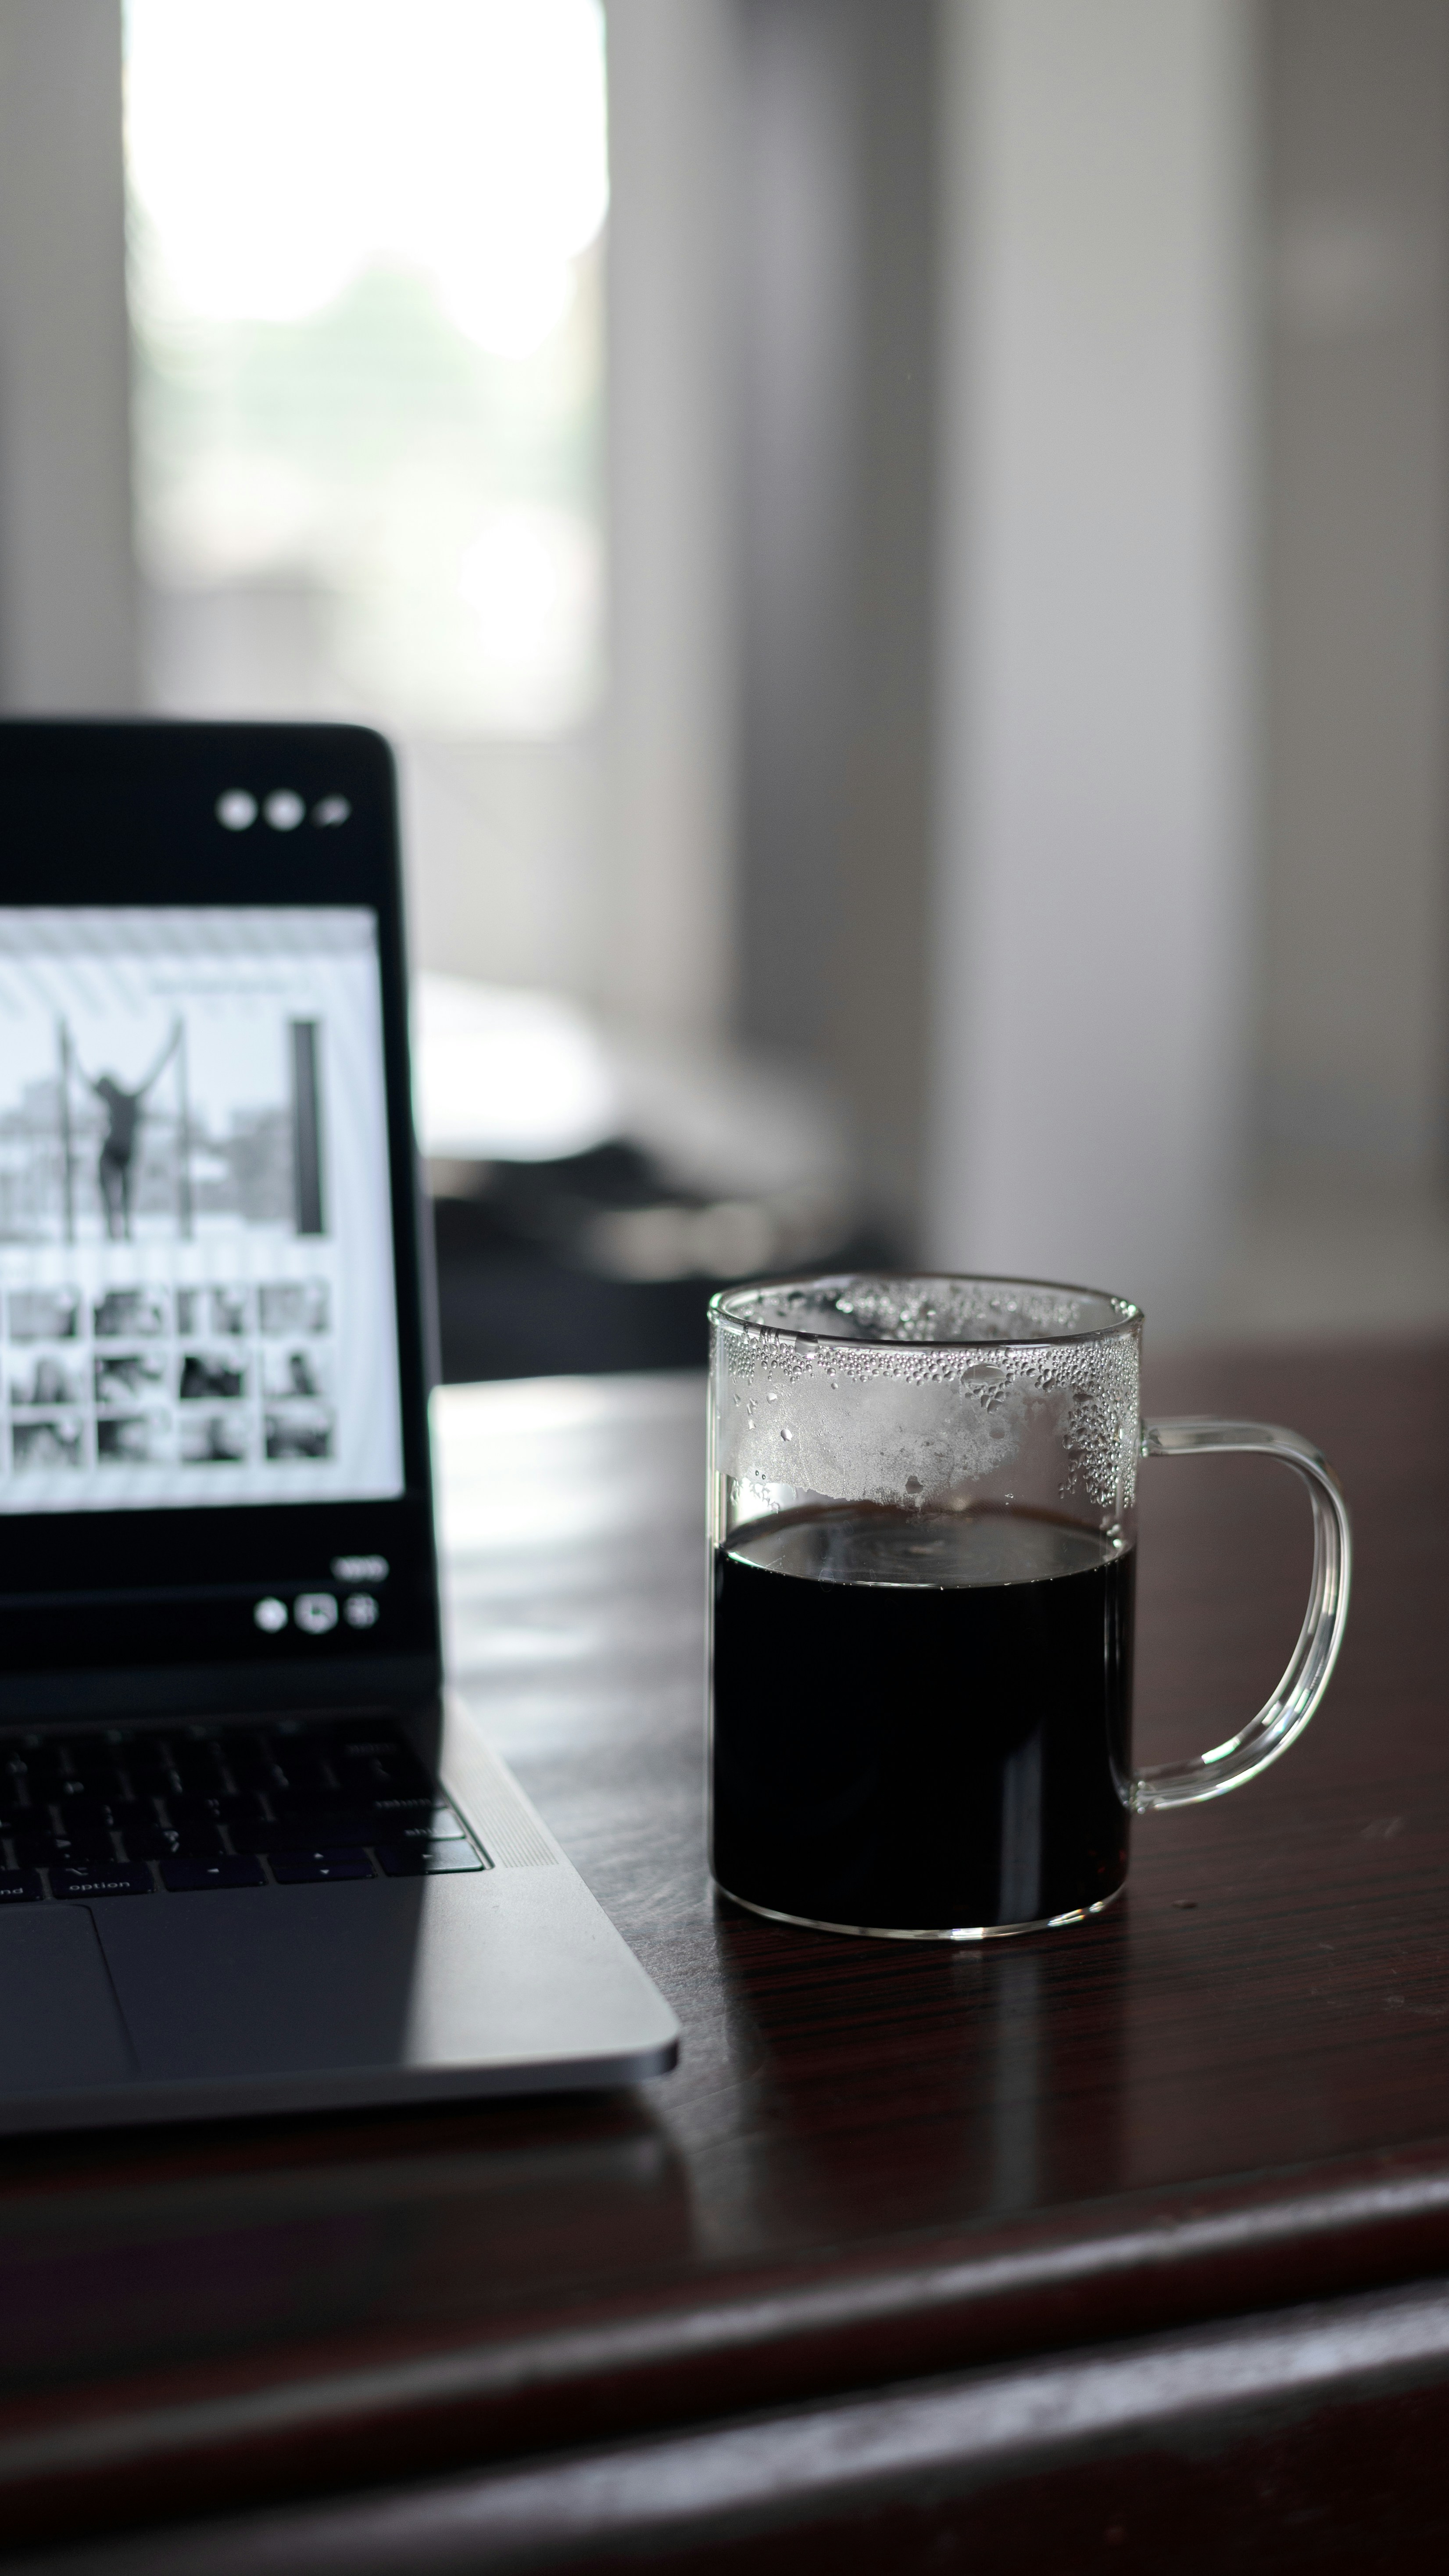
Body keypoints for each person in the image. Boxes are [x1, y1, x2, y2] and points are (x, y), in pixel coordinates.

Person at [82, 1025, 180, 1241]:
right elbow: (84, 1081)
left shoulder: (128, 1099)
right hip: (115, 1150)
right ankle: (115, 1228)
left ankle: (121, 1228)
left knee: (123, 1193)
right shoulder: (123, 1100)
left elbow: (156, 1070)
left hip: (124, 1151)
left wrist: (172, 1045)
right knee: (112, 1191)